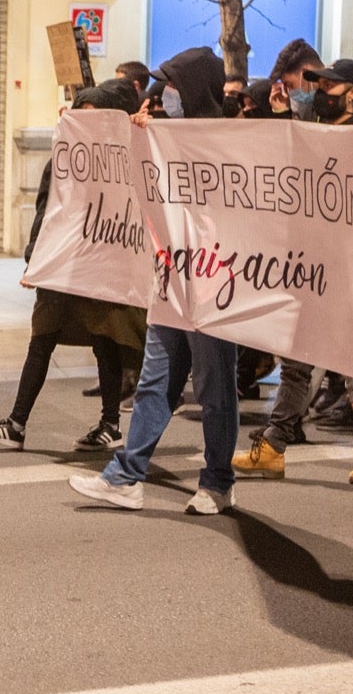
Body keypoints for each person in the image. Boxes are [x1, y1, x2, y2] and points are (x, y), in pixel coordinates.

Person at [66, 47, 241, 517]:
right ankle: (125, 477)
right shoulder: (161, 134)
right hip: (171, 278)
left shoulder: (230, 141)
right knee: (155, 380)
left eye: (174, 86)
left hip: (212, 282)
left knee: (214, 387)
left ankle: (219, 481)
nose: (166, 95)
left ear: (195, 90)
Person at [232, 58, 353, 487]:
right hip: (311, 264)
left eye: (329, 85)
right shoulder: (315, 132)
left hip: (352, 269)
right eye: (318, 84)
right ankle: (273, 443)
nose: (320, 91)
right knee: (296, 356)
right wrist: (283, 116)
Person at [0, 81, 147, 453]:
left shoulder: (125, 158)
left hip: (101, 266)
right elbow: (47, 210)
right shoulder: (64, 159)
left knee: (106, 342)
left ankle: (109, 423)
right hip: (64, 267)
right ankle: (17, 422)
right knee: (41, 338)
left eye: (92, 119)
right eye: (78, 117)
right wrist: (36, 259)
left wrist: (135, 133)